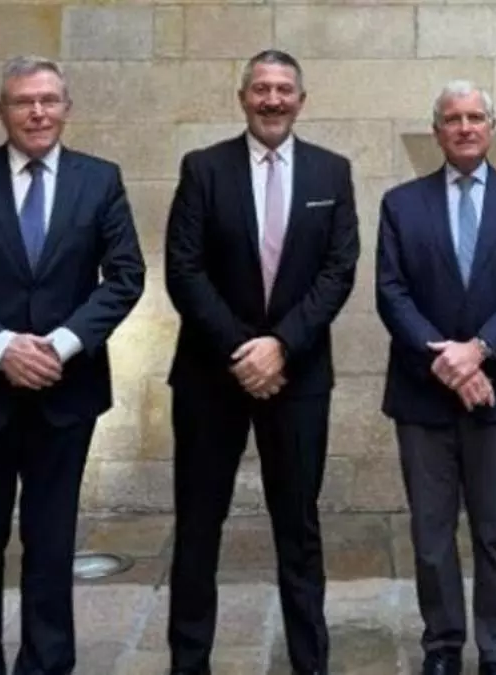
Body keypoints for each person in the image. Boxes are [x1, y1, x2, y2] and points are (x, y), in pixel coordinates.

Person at [0, 54, 145, 674]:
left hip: (65, 398)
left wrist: (59, 345)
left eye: (48, 100)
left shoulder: (101, 180)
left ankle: (46, 666)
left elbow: (125, 277)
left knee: (51, 547)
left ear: (66, 107)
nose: (37, 112)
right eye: (23, 101)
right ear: (1, 111)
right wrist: (1, 349)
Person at [163, 48, 359, 675]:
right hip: (210, 376)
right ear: (242, 97)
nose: (272, 100)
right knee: (199, 526)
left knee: (298, 528)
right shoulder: (203, 168)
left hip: (298, 377)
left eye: (283, 90)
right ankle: (188, 662)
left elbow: (338, 271)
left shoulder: (332, 172)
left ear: (302, 100)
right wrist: (242, 349)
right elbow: (183, 269)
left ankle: (310, 661)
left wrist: (282, 346)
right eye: (261, 89)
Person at [375, 80, 496, 675]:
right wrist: (449, 365)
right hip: (422, 394)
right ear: (437, 132)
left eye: (476, 117)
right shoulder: (402, 204)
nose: (465, 127)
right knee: (431, 533)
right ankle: (442, 647)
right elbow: (392, 293)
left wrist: (479, 353)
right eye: (452, 119)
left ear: (491, 127)